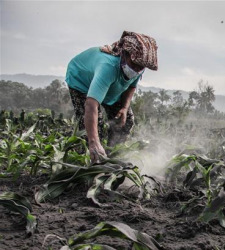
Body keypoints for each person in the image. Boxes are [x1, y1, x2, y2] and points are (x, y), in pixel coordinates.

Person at [65, 31, 158, 163]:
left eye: (141, 66)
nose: (137, 69)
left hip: (108, 86)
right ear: (125, 55)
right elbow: (91, 105)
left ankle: (111, 158)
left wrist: (125, 108)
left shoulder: (136, 67)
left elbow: (132, 86)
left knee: (126, 120)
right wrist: (94, 142)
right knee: (94, 131)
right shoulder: (108, 67)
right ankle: (86, 162)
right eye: (135, 64)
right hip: (81, 80)